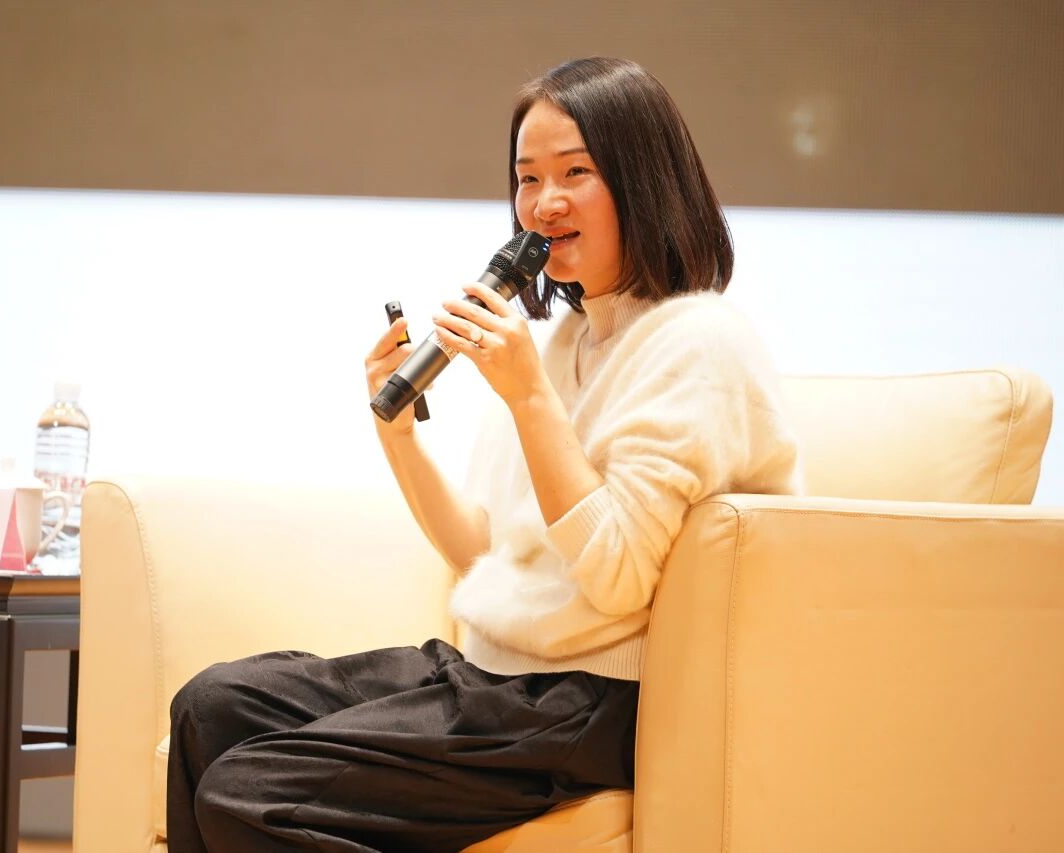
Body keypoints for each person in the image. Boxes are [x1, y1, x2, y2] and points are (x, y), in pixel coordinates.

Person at [167, 56, 804, 852]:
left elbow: (617, 574)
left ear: (644, 181)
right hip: (494, 673)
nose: (544, 202)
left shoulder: (701, 343)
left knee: (249, 792)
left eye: (575, 172)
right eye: (527, 178)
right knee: (211, 706)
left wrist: (529, 397)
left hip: (585, 699)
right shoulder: (568, 341)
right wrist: (398, 434)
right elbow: (484, 553)